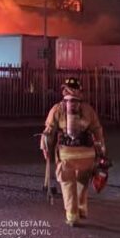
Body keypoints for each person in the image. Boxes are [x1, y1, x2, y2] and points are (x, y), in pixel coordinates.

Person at [40, 78, 106, 226]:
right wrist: (101, 151)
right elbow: (97, 130)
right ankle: (82, 209)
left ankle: (72, 216)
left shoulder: (57, 109)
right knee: (82, 182)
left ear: (64, 90)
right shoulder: (88, 109)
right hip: (87, 156)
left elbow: (49, 131)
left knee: (68, 183)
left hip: (66, 155)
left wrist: (45, 148)